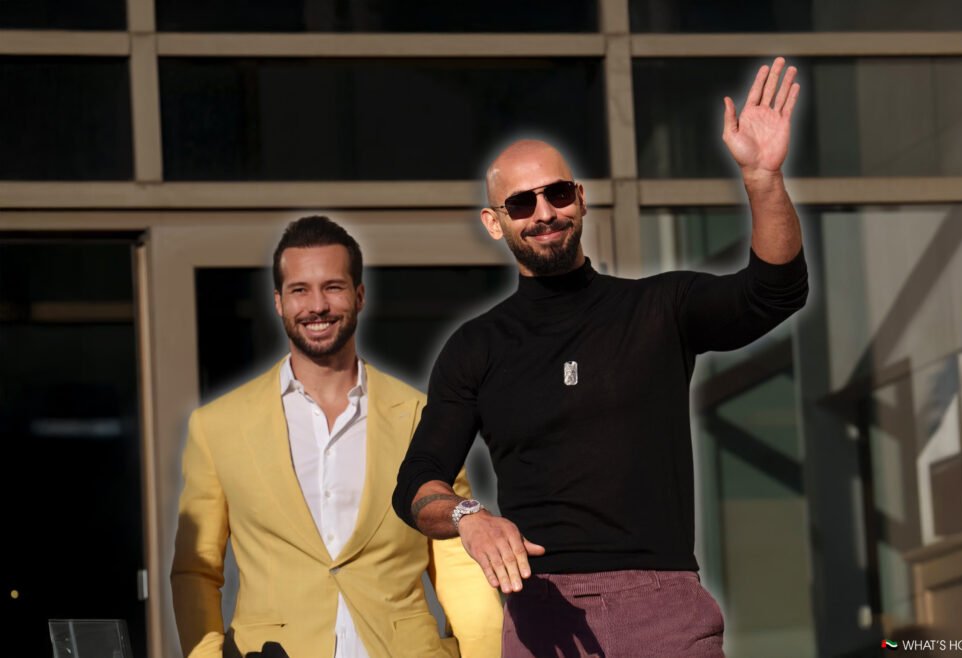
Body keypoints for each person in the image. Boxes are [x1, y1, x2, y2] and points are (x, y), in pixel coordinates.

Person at [392, 58, 808, 657]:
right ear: (494, 222)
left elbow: (777, 291)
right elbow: (416, 481)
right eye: (521, 203)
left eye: (557, 193)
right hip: (543, 617)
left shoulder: (659, 307)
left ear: (581, 200)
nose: (544, 213)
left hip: (665, 608)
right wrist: (468, 517)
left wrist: (763, 180)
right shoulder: (476, 347)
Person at [171, 216, 502, 658]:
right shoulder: (217, 426)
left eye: (333, 287)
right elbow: (197, 569)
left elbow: (457, 558)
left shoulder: (420, 416)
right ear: (278, 302)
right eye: (300, 290)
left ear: (359, 295)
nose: (317, 305)